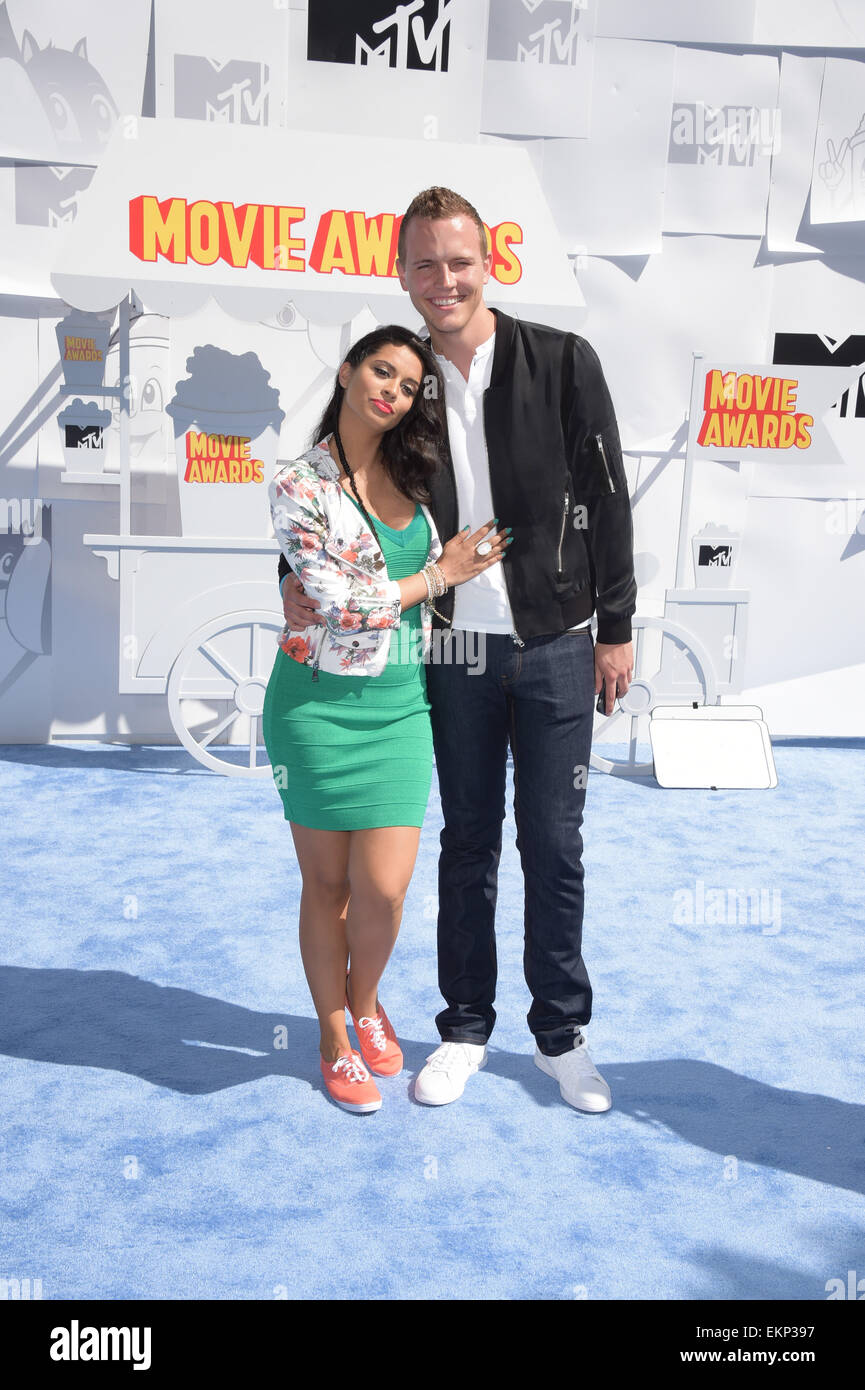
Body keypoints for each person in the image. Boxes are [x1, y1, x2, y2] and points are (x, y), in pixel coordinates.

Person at [278, 188, 637, 1114]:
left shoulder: (559, 361)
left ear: (491, 264)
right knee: (466, 843)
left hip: (556, 639)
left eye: (459, 261)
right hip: (449, 650)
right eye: (425, 265)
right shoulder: (400, 378)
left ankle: (561, 1036)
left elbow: (606, 493)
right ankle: (463, 1027)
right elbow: (335, 469)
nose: (444, 279)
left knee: (554, 844)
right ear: (401, 273)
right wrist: (285, 566)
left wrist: (615, 626)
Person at [264, 323, 509, 1113]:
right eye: (380, 372)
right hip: (315, 709)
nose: (391, 392)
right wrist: (440, 573)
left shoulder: (418, 473)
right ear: (346, 371)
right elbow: (339, 603)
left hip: (402, 706)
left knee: (386, 890)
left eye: (406, 386)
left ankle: (365, 998)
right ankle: (336, 1034)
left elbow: (387, 588)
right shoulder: (298, 481)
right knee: (326, 884)